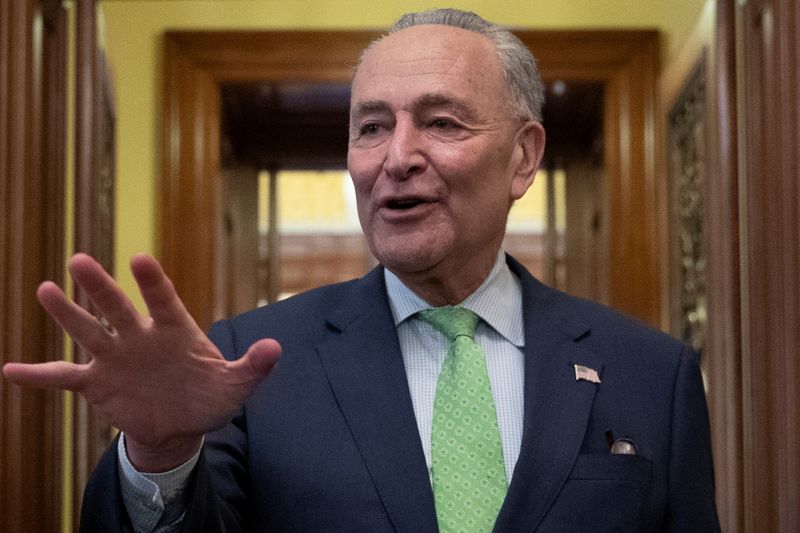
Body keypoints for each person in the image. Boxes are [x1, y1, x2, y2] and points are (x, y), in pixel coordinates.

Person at [3, 8, 721, 533]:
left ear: (524, 156)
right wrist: (159, 452)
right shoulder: (253, 362)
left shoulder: (653, 377)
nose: (396, 156)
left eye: (442, 123)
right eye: (372, 127)